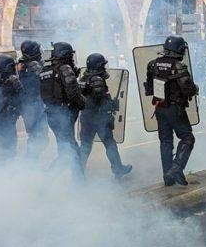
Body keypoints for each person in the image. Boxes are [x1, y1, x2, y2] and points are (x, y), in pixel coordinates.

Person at [145, 35, 198, 186]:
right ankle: (176, 168)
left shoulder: (153, 64)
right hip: (175, 108)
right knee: (187, 138)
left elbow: (149, 87)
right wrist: (195, 89)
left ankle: (168, 177)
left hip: (160, 108)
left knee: (166, 142)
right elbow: (188, 89)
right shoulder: (178, 66)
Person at [78, 52, 132, 178]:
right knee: (110, 144)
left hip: (86, 118)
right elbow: (98, 100)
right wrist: (110, 105)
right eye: (103, 65)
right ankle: (118, 169)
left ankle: (78, 174)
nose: (104, 68)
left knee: (85, 146)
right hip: (98, 118)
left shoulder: (82, 79)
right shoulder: (97, 80)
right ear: (98, 66)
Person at [40, 42, 86, 175]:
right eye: (70, 55)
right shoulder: (65, 69)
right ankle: (77, 183)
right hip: (64, 115)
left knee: (65, 149)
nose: (71, 58)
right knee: (72, 151)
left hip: (51, 115)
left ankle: (57, 182)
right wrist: (83, 102)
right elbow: (73, 94)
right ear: (65, 55)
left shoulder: (45, 71)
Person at [0, 54, 23, 157]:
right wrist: (15, 112)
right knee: (9, 148)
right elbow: (22, 97)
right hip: (5, 120)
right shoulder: (13, 80)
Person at [16, 40, 47, 158]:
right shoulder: (34, 67)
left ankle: (31, 163)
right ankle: (30, 162)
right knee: (39, 138)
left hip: (27, 106)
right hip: (34, 105)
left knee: (35, 136)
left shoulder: (20, 65)